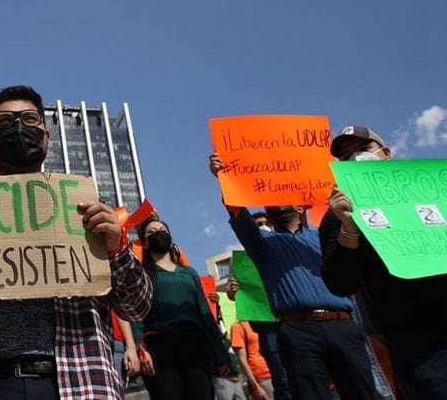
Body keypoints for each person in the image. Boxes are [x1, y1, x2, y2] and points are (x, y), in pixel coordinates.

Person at [0, 85, 153, 400]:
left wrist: (117, 250)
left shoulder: (83, 207)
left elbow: (138, 306)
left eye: (30, 119)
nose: (19, 128)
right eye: (4, 122)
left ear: (46, 135)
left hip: (80, 382)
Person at [321, 124, 447, 398]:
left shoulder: (442, 194)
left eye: (363, 149)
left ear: (385, 152)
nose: (355, 159)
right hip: (432, 354)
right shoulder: (337, 216)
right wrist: (349, 227)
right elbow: (340, 283)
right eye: (346, 156)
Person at [207, 155, 379, 400]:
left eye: (282, 195)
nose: (274, 202)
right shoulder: (261, 243)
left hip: (343, 325)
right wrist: (223, 178)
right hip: (298, 331)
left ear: (301, 207)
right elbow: (237, 213)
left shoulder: (325, 237)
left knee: (363, 393)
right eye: (269, 201)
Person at [135, 217, 233, 400]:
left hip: (194, 345)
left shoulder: (189, 274)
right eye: (152, 233)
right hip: (159, 348)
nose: (158, 234)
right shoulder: (142, 275)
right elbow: (136, 316)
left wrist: (221, 354)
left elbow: (205, 314)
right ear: (145, 244)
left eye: (162, 230)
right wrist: (138, 348)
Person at [230, 321, 272, 400]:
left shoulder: (266, 323)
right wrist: (255, 386)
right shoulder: (238, 327)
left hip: (277, 372)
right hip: (260, 376)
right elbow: (242, 359)